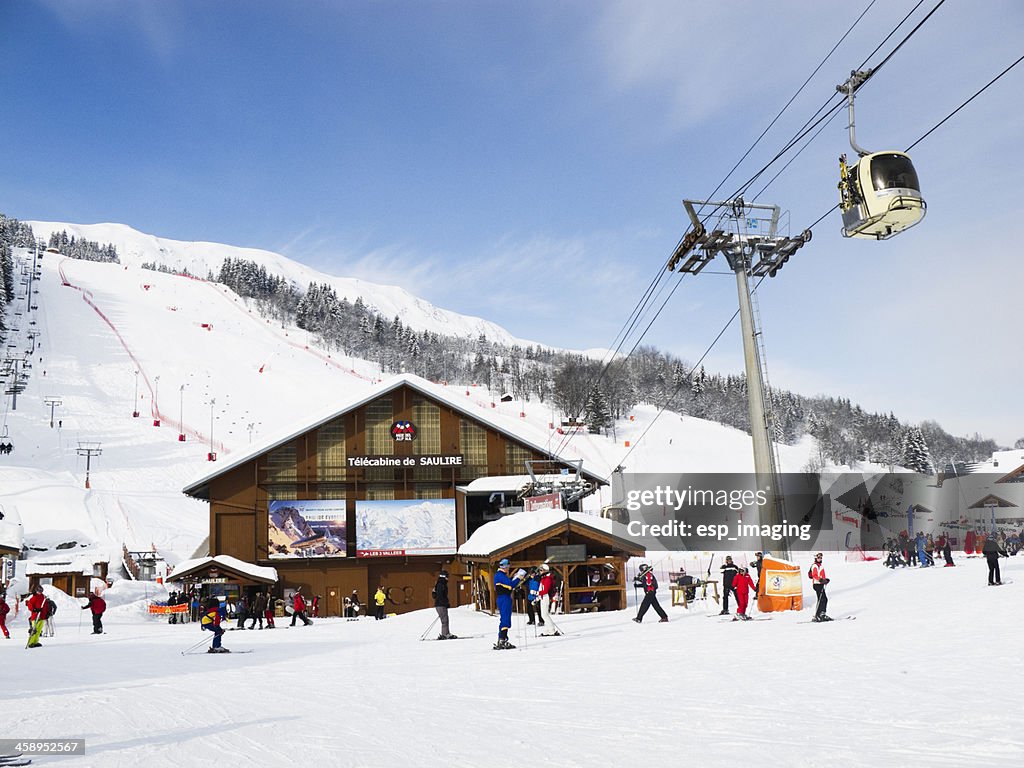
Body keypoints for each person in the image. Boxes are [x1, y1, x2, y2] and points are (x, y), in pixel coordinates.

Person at [493, 559, 526, 649]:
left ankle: (502, 639)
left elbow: (508, 585)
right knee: (505, 619)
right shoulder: (500, 575)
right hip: (504, 598)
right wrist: (519, 577)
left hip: (504, 598)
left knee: (504, 619)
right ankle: (502, 640)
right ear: (505, 566)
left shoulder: (501, 575)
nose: (508, 568)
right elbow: (510, 585)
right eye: (508, 567)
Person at [432, 569, 456, 639]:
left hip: (439, 605)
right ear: (444, 576)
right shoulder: (441, 585)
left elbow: (434, 594)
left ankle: (446, 633)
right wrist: (445, 603)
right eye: (447, 576)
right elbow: (440, 595)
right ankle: (445, 634)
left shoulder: (439, 584)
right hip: (440, 605)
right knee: (444, 620)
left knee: (445, 619)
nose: (447, 578)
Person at [536, 563, 559, 634]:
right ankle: (549, 629)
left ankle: (552, 629)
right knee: (544, 614)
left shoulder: (547, 579)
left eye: (541, 570)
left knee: (545, 614)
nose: (540, 572)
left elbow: (545, 590)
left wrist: (538, 593)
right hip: (542, 597)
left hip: (545, 597)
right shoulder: (543, 578)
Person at [809, 552, 831, 621]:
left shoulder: (820, 565)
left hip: (820, 584)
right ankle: (821, 614)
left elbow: (821, 575)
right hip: (817, 584)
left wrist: (825, 580)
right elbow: (814, 575)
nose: (820, 559)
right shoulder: (815, 566)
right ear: (815, 558)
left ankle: (819, 614)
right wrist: (821, 580)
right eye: (818, 558)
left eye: (821, 558)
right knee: (823, 599)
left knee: (821, 599)